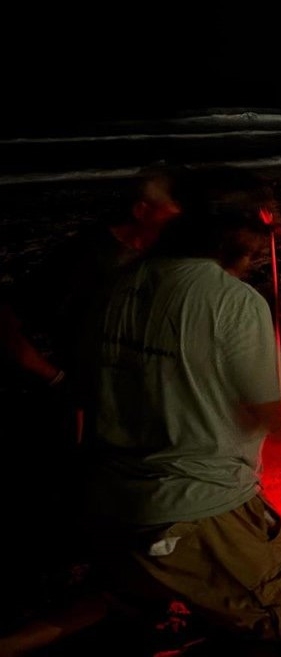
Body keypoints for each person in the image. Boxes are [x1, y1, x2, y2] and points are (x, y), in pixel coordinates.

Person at [25, 165, 281, 655]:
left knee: (126, 600)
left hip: (105, 502)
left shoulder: (113, 284)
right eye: (259, 238)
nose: (259, 255)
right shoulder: (230, 301)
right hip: (189, 509)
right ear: (237, 232)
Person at [0, 165, 186, 646]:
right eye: (173, 206)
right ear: (142, 210)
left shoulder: (167, 253)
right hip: (91, 403)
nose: (182, 214)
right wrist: (57, 379)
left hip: (143, 401)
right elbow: (8, 319)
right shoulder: (85, 257)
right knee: (81, 507)